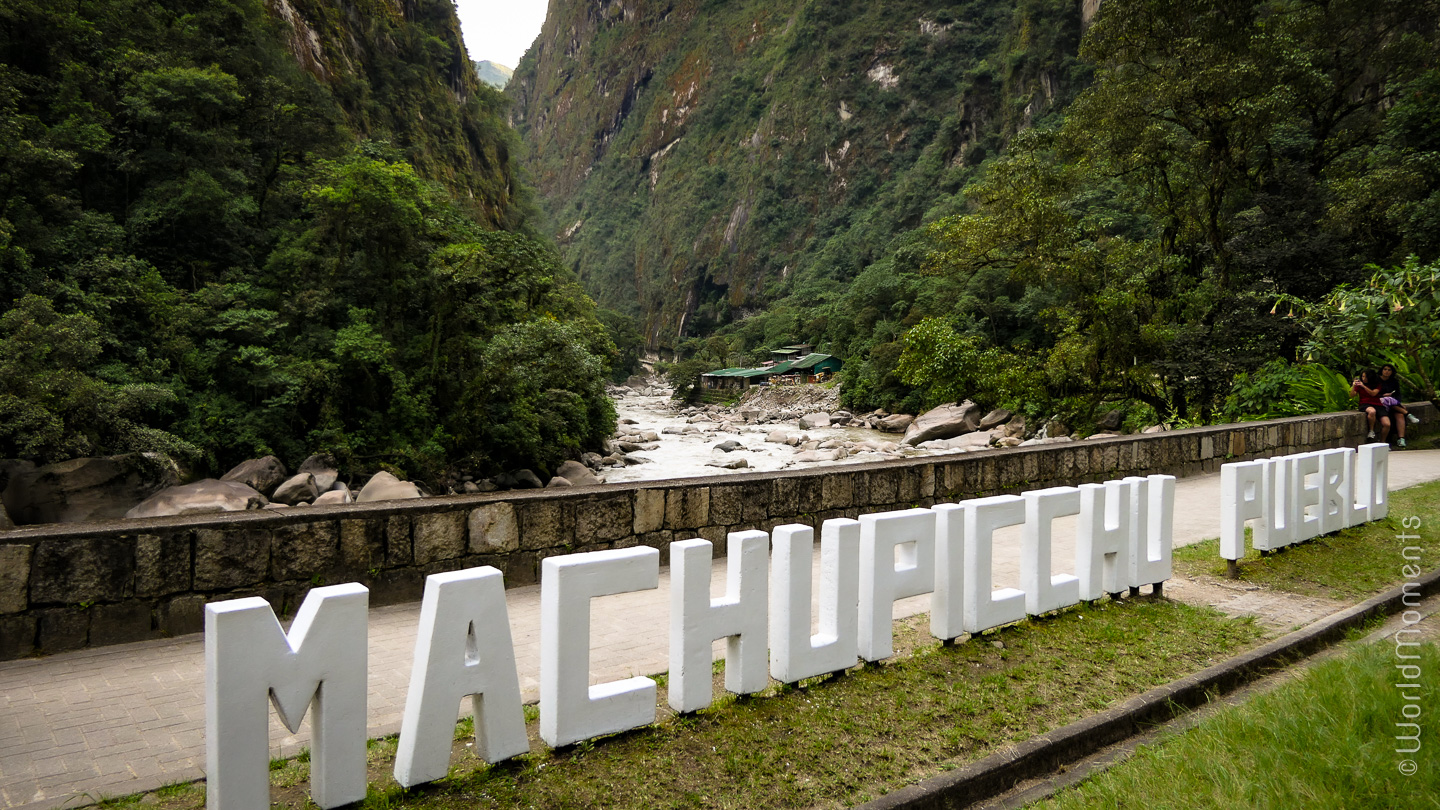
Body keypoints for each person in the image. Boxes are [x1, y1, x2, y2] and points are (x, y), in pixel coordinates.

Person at [1378, 364, 1418, 449]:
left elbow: (1398, 394)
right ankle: (1407, 414)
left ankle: (1401, 439)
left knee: (1399, 414)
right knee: (1388, 400)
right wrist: (1383, 395)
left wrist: (1398, 403)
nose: (1387, 371)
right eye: (1385, 369)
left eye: (1389, 370)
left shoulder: (1394, 381)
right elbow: (1374, 393)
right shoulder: (1377, 381)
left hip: (1393, 404)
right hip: (1381, 403)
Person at [1352, 369, 1390, 443]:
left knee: (1387, 424)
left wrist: (1364, 386)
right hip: (1365, 403)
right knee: (1372, 411)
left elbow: (1373, 393)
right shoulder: (1359, 385)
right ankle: (1371, 430)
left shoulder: (1377, 384)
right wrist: (1353, 386)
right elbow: (1352, 395)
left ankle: (1383, 442)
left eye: (1366, 377)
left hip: (1377, 404)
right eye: (1362, 377)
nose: (1364, 379)